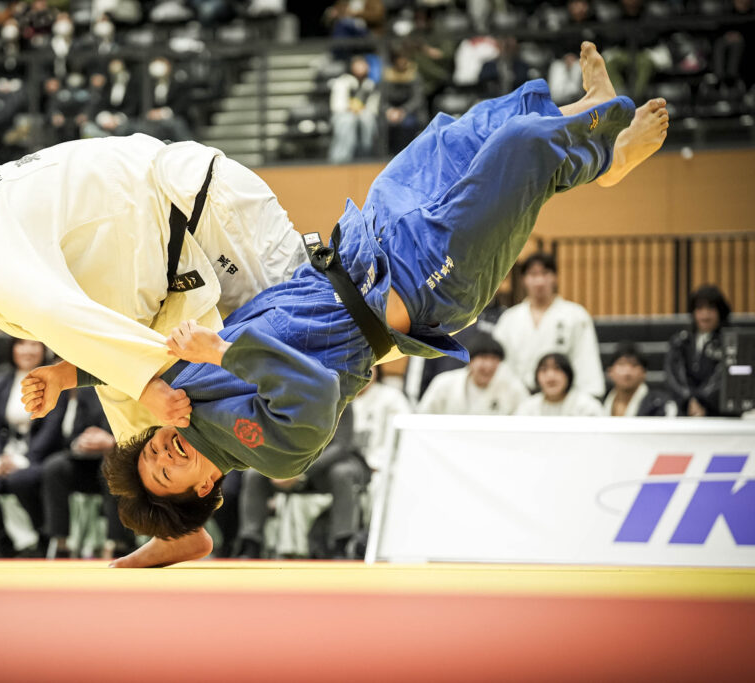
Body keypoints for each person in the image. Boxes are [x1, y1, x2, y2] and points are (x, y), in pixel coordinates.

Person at [96, 43, 667, 566]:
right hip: (423, 285)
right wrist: (222, 352)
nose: (163, 453)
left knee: (463, 133)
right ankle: (606, 155)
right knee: (519, 150)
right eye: (164, 473)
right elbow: (314, 392)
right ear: (202, 489)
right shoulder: (271, 454)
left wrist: (62, 371)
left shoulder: (179, 397)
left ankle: (589, 117)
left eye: (150, 454)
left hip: (367, 238)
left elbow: (125, 358)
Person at [0, 133, 307, 444]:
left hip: (201, 212)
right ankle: (175, 526)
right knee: (140, 417)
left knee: (307, 341)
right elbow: (95, 320)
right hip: (176, 240)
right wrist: (69, 374)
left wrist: (145, 386)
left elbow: (58, 314)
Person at [0, 339, 67, 557]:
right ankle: (4, 543)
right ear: (12, 349)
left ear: (44, 350)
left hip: (40, 457)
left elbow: (52, 428)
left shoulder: (55, 380)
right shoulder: (1, 382)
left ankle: (42, 536)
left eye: (34, 345)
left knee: (21, 480)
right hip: (5, 456)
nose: (27, 350)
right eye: (21, 344)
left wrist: (24, 460)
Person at [236, 406, 368, 560]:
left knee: (342, 473)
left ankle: (342, 545)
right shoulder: (281, 396)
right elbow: (271, 436)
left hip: (328, 466)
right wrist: (279, 466)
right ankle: (251, 544)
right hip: (289, 463)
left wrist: (299, 470)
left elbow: (340, 446)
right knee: (254, 474)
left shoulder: (341, 397)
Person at [492, 251, 605, 398]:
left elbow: (585, 360)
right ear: (524, 280)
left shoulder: (576, 316)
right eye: (533, 274)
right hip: (518, 399)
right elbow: (501, 364)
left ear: (555, 278)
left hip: (564, 398)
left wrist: (588, 397)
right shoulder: (509, 318)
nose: (539, 281)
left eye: (545, 273)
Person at [41, 386, 134, 559]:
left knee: (111, 466)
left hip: (127, 458)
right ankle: (61, 544)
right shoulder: (87, 390)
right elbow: (75, 433)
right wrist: (82, 441)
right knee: (54, 467)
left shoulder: (133, 386)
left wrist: (113, 442)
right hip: (89, 461)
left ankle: (117, 544)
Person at [417, 335, 528, 415]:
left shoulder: (513, 388)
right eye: (483, 358)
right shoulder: (444, 383)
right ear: (469, 361)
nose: (489, 365)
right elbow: (423, 417)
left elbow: (524, 421)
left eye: (494, 359)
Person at [665, 284, 731, 417]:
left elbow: (726, 376)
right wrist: (689, 401)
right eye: (699, 308)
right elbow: (673, 376)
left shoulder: (729, 342)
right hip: (685, 412)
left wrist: (702, 402)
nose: (705, 314)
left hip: (719, 414)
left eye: (711, 308)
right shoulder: (680, 341)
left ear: (720, 311)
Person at [515, 353, 604, 417]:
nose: (550, 376)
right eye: (544, 370)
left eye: (557, 369)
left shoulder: (587, 406)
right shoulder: (527, 407)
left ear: (568, 375)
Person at [603, 342, 677, 417]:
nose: (627, 372)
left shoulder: (660, 404)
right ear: (610, 371)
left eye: (634, 365)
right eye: (621, 364)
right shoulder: (600, 403)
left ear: (644, 372)